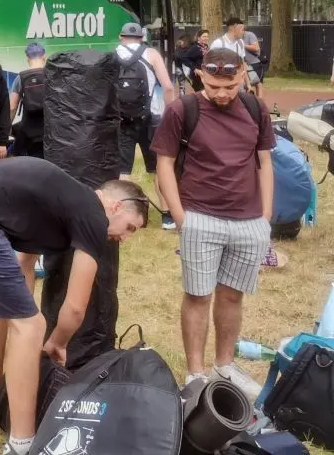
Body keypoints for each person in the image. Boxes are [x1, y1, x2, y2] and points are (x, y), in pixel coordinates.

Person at [0, 157, 148, 455]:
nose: (123, 238)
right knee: (32, 325)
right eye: (130, 228)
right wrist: (56, 343)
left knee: (0, 310)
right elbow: (75, 307)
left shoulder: (63, 203)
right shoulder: (93, 216)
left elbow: (24, 263)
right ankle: (21, 443)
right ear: (116, 206)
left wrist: (22, 311)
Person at [152, 47, 275, 399]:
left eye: (230, 86)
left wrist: (265, 216)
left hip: (248, 219)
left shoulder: (255, 108)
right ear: (201, 76)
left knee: (232, 296)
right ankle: (195, 373)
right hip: (199, 216)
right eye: (215, 86)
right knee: (197, 296)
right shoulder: (182, 110)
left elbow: (265, 163)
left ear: (242, 78)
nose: (223, 94)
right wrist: (179, 217)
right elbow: (164, 164)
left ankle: (224, 365)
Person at [115, 22, 176, 227]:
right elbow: (167, 87)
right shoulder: (151, 54)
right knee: (159, 168)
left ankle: (123, 215)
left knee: (124, 170)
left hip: (122, 120)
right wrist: (170, 113)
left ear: (120, 37)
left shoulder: (112, 55)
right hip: (151, 119)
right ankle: (167, 216)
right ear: (141, 37)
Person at [9, 42, 47, 158]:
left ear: (27, 58)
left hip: (29, 134)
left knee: (12, 154)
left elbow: (12, 107)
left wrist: (6, 130)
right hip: (50, 133)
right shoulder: (53, 76)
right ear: (44, 57)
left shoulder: (21, 77)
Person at [242, 30, 265, 98]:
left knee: (258, 84)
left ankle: (260, 104)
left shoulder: (250, 35)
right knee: (245, 85)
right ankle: (249, 102)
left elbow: (256, 48)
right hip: (243, 65)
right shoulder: (235, 37)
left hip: (254, 64)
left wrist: (243, 45)